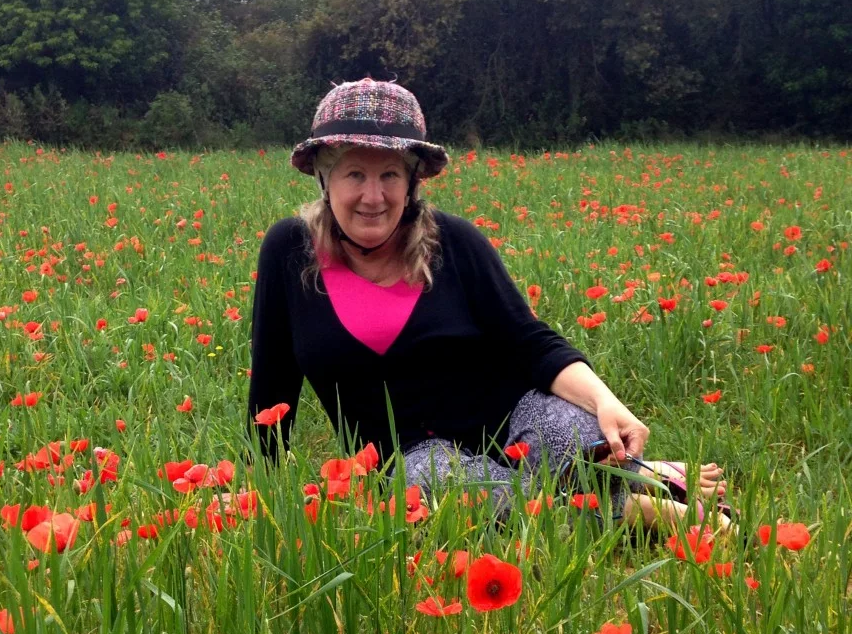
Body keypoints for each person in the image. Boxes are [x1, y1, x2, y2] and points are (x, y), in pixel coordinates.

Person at [247, 78, 729, 530]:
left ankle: (638, 483)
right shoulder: (290, 251)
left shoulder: (455, 241)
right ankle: (650, 502)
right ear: (325, 180)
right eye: (355, 173)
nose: (373, 196)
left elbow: (530, 344)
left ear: (412, 182)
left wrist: (605, 401)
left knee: (576, 436)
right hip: (408, 454)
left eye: (390, 175)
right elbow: (274, 382)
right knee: (452, 493)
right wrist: (257, 484)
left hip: (511, 413)